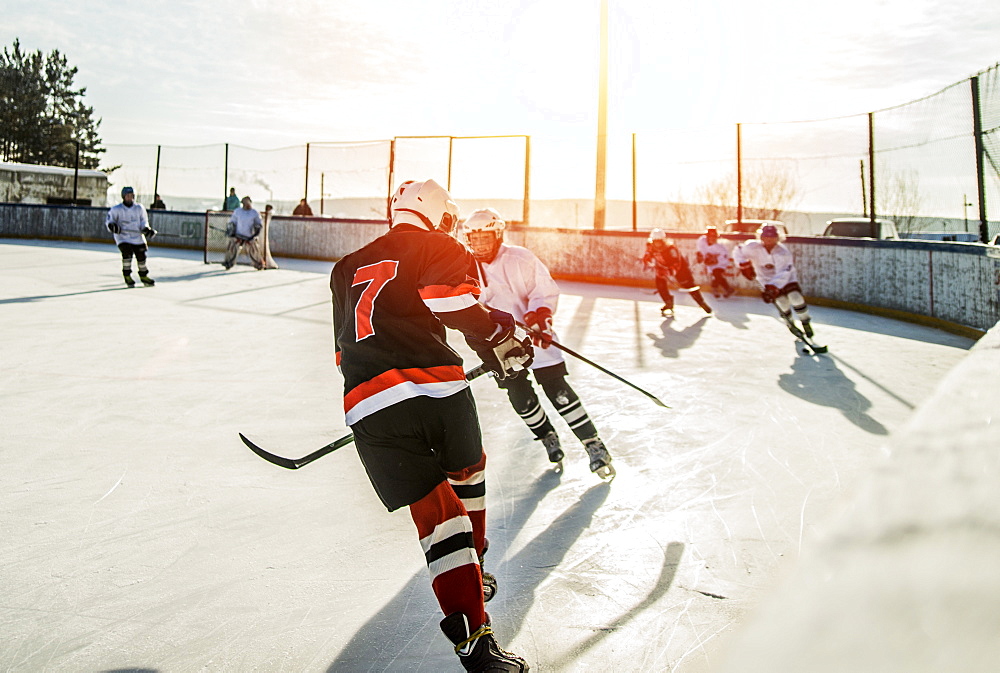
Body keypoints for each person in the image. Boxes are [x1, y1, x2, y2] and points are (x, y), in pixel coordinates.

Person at [330, 180, 531, 672]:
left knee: (437, 520)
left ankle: (475, 648)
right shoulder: (442, 245)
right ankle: (476, 566)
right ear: (439, 214)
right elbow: (448, 301)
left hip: (367, 405)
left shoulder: (344, 267)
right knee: (468, 470)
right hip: (437, 391)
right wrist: (499, 331)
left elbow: (341, 352)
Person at [463, 208, 615, 480]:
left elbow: (542, 290)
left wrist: (540, 317)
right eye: (474, 240)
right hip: (502, 346)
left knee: (558, 391)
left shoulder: (520, 258)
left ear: (498, 234)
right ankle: (547, 436)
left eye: (485, 238)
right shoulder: (467, 267)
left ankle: (593, 444)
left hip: (535, 335)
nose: (480, 246)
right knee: (520, 397)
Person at [734, 223, 816, 339]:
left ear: (777, 238)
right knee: (782, 302)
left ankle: (805, 322)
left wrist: (773, 286)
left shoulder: (782, 252)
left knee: (795, 297)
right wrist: (743, 264)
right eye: (766, 236)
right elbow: (738, 251)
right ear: (761, 237)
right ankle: (790, 323)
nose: (769, 240)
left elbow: (784, 272)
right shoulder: (752, 247)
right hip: (766, 281)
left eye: (772, 237)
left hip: (787, 280)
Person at [641, 229, 712, 317]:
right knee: (660, 283)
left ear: (663, 241)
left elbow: (677, 264)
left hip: (680, 269)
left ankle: (701, 303)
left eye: (659, 242)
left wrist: (669, 271)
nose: (657, 245)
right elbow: (647, 255)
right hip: (663, 267)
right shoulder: (650, 246)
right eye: (655, 242)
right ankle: (668, 302)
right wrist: (646, 259)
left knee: (689, 285)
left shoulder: (671, 249)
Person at [106, 186, 156, 287]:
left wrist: (146, 229)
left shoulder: (139, 208)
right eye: (127, 196)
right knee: (127, 254)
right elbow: (110, 221)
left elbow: (144, 221)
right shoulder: (116, 209)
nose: (130, 198)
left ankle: (143, 276)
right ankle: (127, 275)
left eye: (131, 196)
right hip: (123, 237)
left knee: (141, 256)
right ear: (123, 197)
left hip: (137, 237)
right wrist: (113, 227)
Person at [223, 196, 265, 270]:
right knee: (232, 248)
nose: (246, 204)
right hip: (238, 235)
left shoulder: (254, 212)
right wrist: (231, 231)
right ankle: (228, 262)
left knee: (254, 250)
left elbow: (259, 224)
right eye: (244, 203)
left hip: (250, 236)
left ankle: (259, 264)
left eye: (247, 202)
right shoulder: (237, 211)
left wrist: (255, 234)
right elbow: (232, 222)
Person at [695, 225, 735, 298]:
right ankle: (728, 289)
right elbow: (701, 252)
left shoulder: (720, 247)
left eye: (714, 237)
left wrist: (714, 260)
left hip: (720, 263)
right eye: (710, 236)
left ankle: (715, 289)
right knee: (717, 276)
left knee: (717, 274)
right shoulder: (702, 241)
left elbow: (724, 259)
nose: (712, 238)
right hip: (711, 265)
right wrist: (702, 256)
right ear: (707, 236)